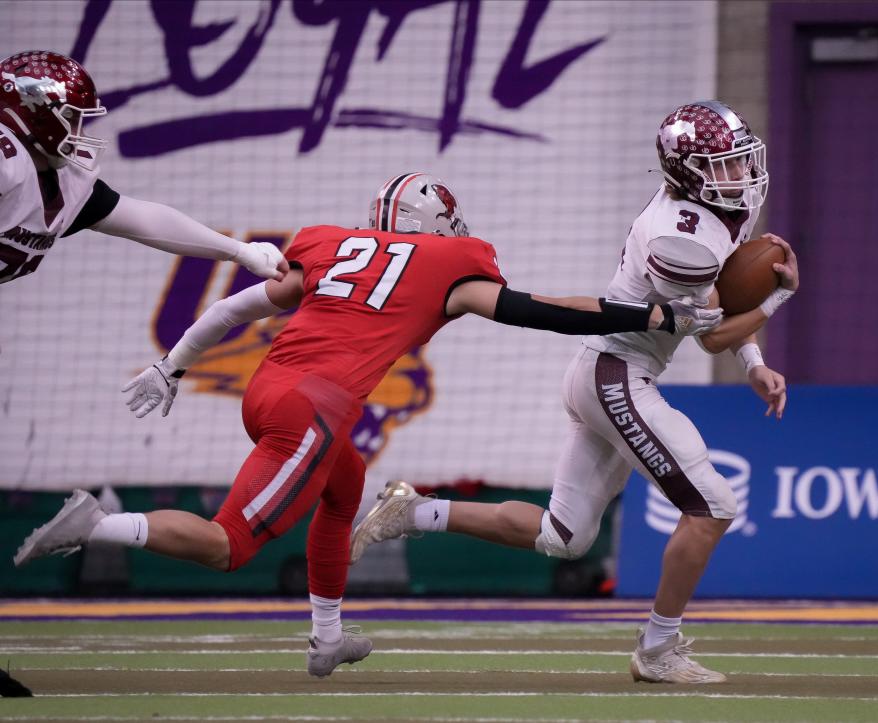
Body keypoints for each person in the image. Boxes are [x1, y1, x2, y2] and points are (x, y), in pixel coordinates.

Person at [13, 171, 722, 678]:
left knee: (344, 482)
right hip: (313, 409)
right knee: (228, 545)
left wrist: (172, 367)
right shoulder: (451, 264)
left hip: (269, 391)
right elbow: (544, 311)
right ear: (436, 228)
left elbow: (236, 309)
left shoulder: (329, 247)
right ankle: (95, 524)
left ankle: (328, 637)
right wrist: (649, 315)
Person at [349, 102, 800, 684]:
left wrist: (756, 360)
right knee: (712, 506)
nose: (741, 176)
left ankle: (415, 511)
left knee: (562, 536)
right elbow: (713, 335)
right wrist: (775, 301)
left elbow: (721, 311)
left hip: (606, 371)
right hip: (617, 371)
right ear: (689, 171)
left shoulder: (704, 214)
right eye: (726, 166)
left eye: (740, 163)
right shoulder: (681, 239)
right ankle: (659, 650)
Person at [0, 50, 285, 285]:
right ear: (34, 113)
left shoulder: (60, 178)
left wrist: (240, 252)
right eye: (72, 117)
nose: (78, 130)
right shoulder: (7, 162)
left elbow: (143, 220)